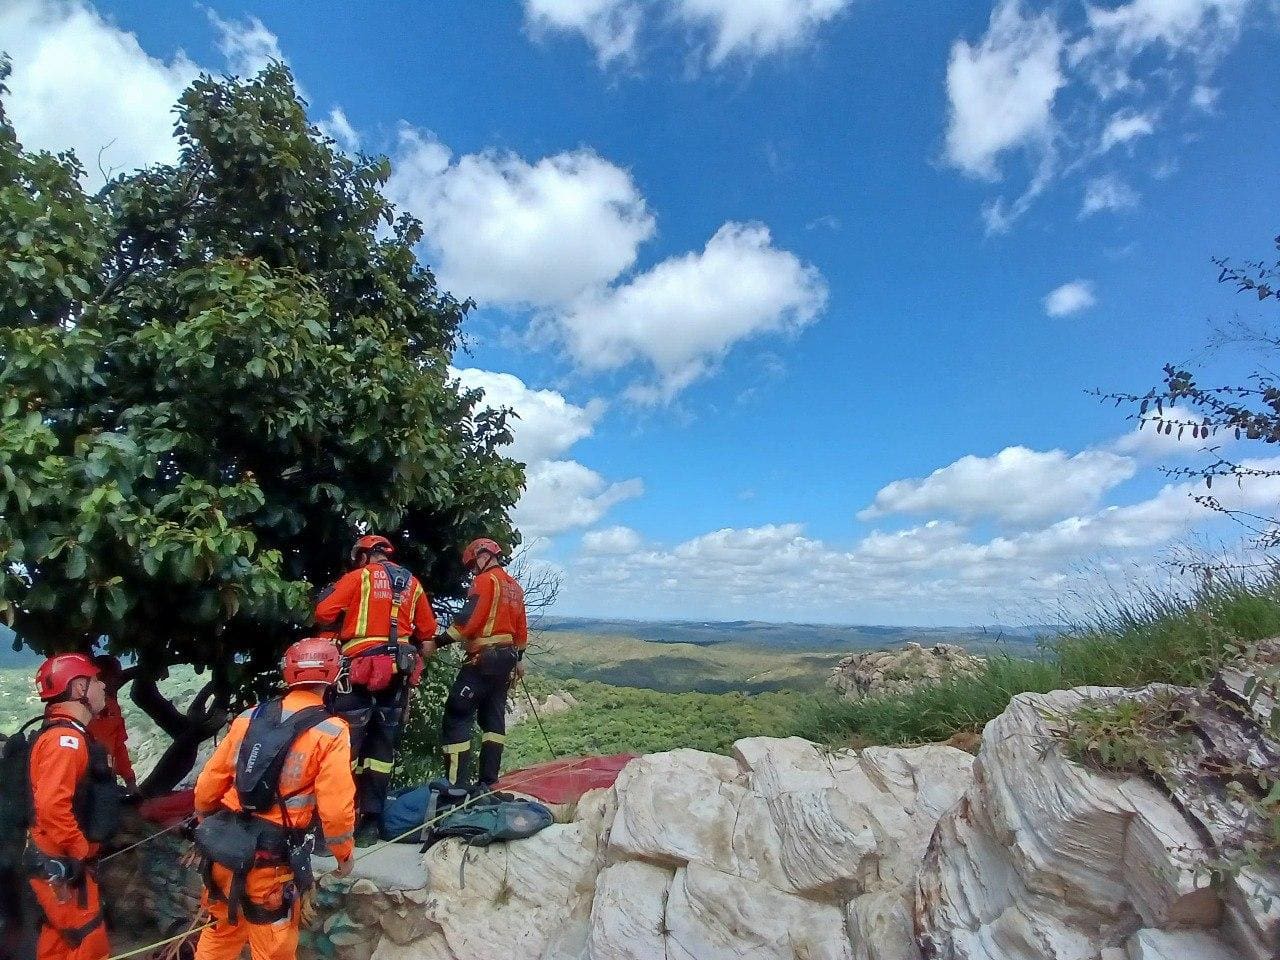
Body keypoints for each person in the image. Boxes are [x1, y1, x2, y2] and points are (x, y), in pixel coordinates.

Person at [191, 638, 355, 960]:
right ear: (333, 675)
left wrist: (204, 815)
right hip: (270, 863)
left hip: (225, 852)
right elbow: (336, 807)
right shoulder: (332, 731)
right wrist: (343, 855)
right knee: (274, 948)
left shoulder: (249, 717)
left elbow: (211, 780)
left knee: (221, 932)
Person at [314, 535, 437, 844]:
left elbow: (324, 614)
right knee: (383, 749)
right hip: (399, 673)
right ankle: (371, 823)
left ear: (365, 555)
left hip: (358, 672)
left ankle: (337, 826)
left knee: (346, 749)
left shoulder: (358, 577)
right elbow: (428, 633)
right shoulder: (413, 583)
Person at [26, 653, 119, 960]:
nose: (102, 685)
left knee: (59, 942)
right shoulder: (66, 740)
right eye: (96, 680)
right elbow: (52, 806)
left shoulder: (65, 735)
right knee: (89, 944)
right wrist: (80, 850)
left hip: (53, 864)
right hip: (62, 867)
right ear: (79, 687)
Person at [435, 538, 528, 793]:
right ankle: (489, 782)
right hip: (506, 660)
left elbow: (468, 622)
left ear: (483, 556)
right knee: (494, 720)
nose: (473, 570)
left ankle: (456, 787)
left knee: (457, 713)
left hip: (483, 660)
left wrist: (438, 642)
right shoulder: (515, 587)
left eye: (474, 564)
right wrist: (518, 662)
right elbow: (521, 631)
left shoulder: (485, 581)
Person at [85, 655, 138, 795]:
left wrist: (130, 781)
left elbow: (119, 747)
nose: (118, 680)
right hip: (84, 780)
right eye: (115, 676)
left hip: (106, 779)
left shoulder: (113, 707)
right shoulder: (79, 710)